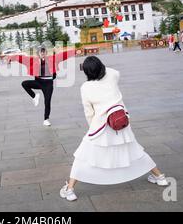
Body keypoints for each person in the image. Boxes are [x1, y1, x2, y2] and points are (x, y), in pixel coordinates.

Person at [60, 56, 169, 202]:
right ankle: (160, 177)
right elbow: (113, 71)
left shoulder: (86, 87)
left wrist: (92, 128)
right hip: (121, 122)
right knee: (135, 151)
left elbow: (89, 112)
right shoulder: (112, 75)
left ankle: (70, 190)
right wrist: (99, 67)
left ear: (87, 72)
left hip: (100, 126)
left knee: (83, 157)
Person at [8, 46, 75, 127]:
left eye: (44, 52)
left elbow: (63, 55)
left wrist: (74, 51)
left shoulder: (52, 58)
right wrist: (10, 58)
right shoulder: (34, 60)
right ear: (38, 54)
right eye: (41, 52)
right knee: (24, 84)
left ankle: (46, 119)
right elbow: (22, 58)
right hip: (39, 82)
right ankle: (34, 96)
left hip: (48, 84)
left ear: (46, 53)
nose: (42, 53)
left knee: (47, 101)